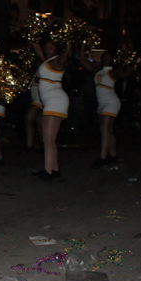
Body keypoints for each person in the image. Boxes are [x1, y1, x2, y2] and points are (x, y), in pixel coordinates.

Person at [79, 47, 131, 167]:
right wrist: (83, 44)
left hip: (111, 102)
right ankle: (113, 155)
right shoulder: (97, 71)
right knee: (108, 130)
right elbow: (82, 61)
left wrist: (129, 59)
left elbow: (127, 73)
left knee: (104, 129)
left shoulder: (113, 72)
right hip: (101, 104)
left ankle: (102, 157)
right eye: (105, 58)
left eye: (109, 58)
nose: (107, 60)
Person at [33, 36, 74, 181]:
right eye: (46, 49)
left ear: (57, 49)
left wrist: (68, 43)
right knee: (50, 139)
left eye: (51, 48)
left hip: (55, 101)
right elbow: (36, 45)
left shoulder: (57, 61)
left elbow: (64, 57)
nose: (47, 51)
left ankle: (48, 171)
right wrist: (33, 35)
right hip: (53, 101)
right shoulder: (47, 62)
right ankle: (54, 169)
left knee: (48, 139)